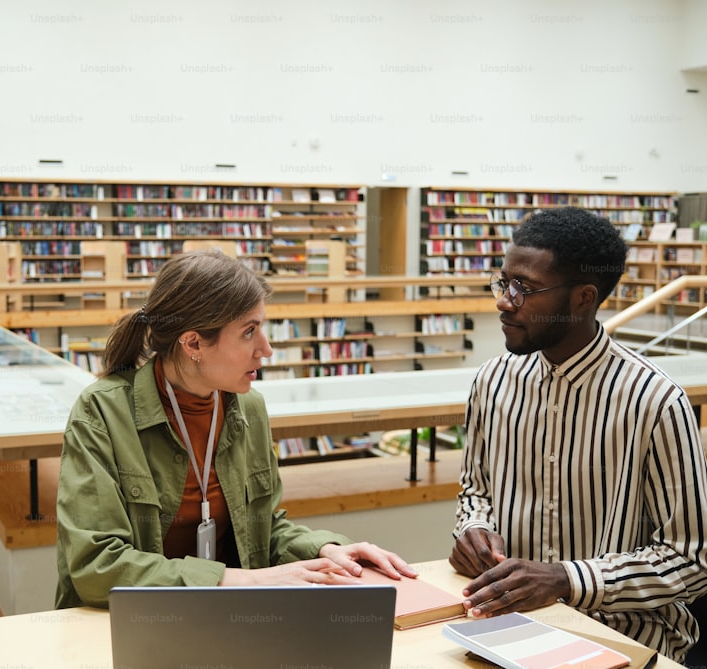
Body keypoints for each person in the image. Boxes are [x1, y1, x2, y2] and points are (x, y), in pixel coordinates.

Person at [55, 250, 416, 608]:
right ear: (193, 343)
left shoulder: (249, 407)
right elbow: (97, 567)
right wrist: (242, 580)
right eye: (249, 332)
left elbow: (263, 528)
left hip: (228, 618)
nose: (267, 349)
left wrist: (326, 549)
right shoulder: (100, 412)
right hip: (129, 625)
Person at [450, 206, 707, 662]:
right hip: (508, 627)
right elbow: (476, 490)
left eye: (525, 289)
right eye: (503, 281)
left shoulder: (655, 402)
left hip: (624, 639)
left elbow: (692, 562)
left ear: (584, 298)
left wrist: (567, 578)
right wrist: (474, 527)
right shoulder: (492, 381)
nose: (504, 301)